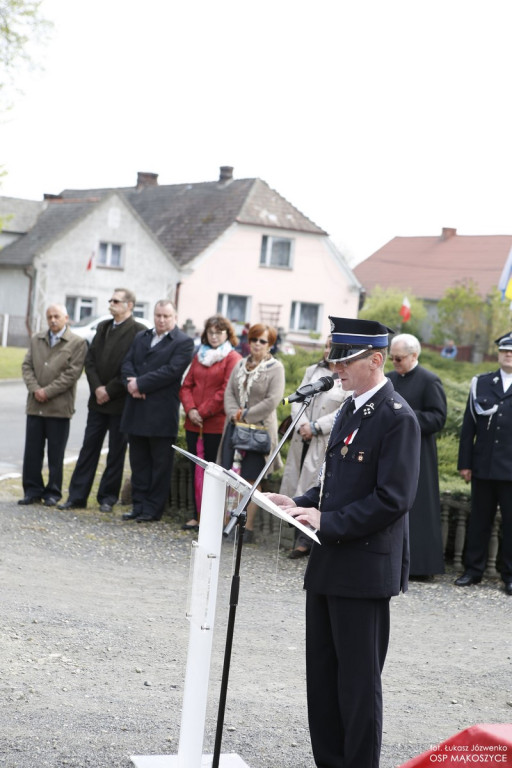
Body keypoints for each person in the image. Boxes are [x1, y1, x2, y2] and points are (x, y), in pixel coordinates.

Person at [266, 316, 421, 768]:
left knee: (357, 684)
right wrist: (297, 502)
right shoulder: (352, 408)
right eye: (334, 359)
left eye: (345, 360)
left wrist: (327, 520)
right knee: (323, 678)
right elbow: (336, 482)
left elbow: (393, 499)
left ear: (376, 360)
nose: (336, 368)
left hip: (364, 568)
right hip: (329, 561)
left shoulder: (397, 418)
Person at [58, 289, 147, 513]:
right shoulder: (103, 327)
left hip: (120, 402)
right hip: (97, 401)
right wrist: (97, 387)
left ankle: (107, 497)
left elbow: (133, 365)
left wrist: (110, 389)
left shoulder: (138, 331)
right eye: (111, 300)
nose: (111, 303)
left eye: (116, 300)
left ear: (129, 305)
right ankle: (77, 496)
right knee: (89, 448)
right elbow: (90, 361)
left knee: (116, 451)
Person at [120, 300, 194, 523]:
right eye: (158, 315)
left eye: (166, 316)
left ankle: (152, 509)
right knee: (138, 462)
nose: (161, 320)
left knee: (160, 465)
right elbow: (127, 363)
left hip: (160, 413)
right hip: (136, 409)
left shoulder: (183, 342)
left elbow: (171, 371)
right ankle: (138, 505)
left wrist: (140, 384)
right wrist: (131, 384)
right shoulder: (141, 337)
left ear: (175, 318)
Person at [279, 336, 349, 558]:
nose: (328, 350)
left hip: (323, 438)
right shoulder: (313, 371)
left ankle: (307, 539)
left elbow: (344, 409)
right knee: (296, 483)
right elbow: (299, 398)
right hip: (302, 437)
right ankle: (294, 533)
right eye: (326, 346)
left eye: (332, 347)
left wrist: (316, 427)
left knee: (313, 487)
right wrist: (302, 424)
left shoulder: (346, 377)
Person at [455, 332, 512, 595]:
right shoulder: (482, 383)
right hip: (484, 467)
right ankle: (473, 570)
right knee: (479, 522)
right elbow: (469, 428)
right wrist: (465, 464)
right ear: (498, 353)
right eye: (504, 350)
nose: (508, 354)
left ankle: (509, 575)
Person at [387, 333, 447, 580]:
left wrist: (406, 416)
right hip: (391, 451)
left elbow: (438, 417)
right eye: (391, 358)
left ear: (414, 356)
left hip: (418, 452)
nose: (394, 363)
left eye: (399, 358)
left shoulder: (429, 380)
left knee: (419, 508)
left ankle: (420, 566)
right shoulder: (389, 379)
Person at [219, 323, 285, 542]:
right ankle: (226, 523)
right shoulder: (240, 364)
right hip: (234, 427)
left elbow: (273, 400)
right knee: (230, 475)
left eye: (262, 341)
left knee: (251, 480)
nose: (257, 344)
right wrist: (234, 414)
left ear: (270, 344)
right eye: (254, 340)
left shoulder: (276, 368)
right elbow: (229, 393)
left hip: (259, 430)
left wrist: (246, 415)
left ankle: (245, 529)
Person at [19, 304, 87, 506]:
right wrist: (35, 389)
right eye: (49, 317)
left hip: (59, 408)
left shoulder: (77, 343)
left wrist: (47, 392)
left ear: (66, 317)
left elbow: (72, 374)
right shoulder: (37, 339)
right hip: (35, 406)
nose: (53, 320)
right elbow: (27, 366)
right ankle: (32, 491)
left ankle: (52, 492)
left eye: (57, 316)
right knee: (32, 452)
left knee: (55, 454)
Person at [179, 314, 241, 530]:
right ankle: (196, 514)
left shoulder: (232, 358)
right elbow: (186, 385)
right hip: (193, 423)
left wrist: (202, 412)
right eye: (210, 332)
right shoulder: (199, 355)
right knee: (195, 469)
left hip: (216, 425)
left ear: (227, 334)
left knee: (214, 472)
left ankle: (212, 518)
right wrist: (190, 409)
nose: (214, 336)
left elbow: (226, 391)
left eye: (219, 332)